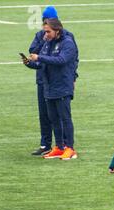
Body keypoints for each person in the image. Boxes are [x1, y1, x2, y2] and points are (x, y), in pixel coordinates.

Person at [27, 7, 79, 156]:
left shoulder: (68, 40)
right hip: (47, 83)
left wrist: (74, 77)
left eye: (48, 31)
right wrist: (29, 62)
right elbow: (37, 57)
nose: (45, 33)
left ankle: (69, 147)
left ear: (56, 28)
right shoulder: (46, 40)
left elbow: (63, 60)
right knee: (51, 117)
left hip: (61, 84)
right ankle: (57, 146)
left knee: (64, 117)